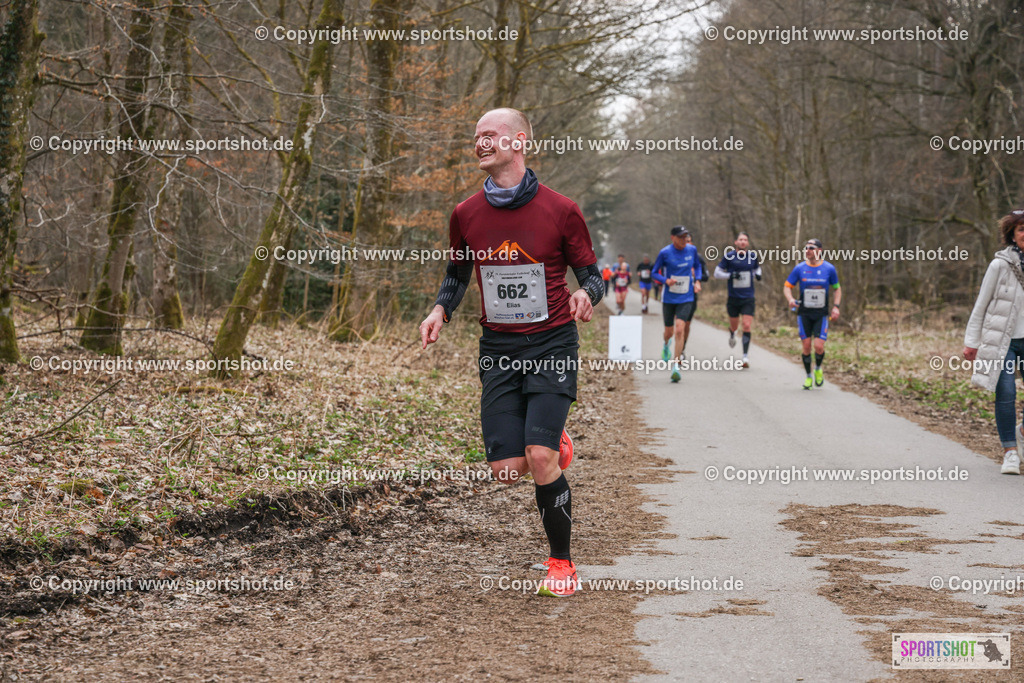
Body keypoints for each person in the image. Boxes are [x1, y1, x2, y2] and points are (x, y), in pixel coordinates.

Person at [419, 108, 605, 597]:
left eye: (490, 136)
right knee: (507, 472)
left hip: (552, 343)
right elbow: (457, 274)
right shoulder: (465, 214)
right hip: (498, 347)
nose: (480, 143)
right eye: (476, 137)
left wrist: (587, 294)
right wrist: (440, 311)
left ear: (519, 141)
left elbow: (590, 273)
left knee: (539, 456)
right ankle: (552, 441)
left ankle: (561, 563)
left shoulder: (560, 209)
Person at [963, 209, 1024, 475]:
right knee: (1007, 393)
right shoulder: (1000, 265)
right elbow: (982, 305)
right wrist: (971, 341)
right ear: (1012, 234)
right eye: (1021, 229)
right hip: (1004, 343)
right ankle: (1010, 452)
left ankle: (1021, 431)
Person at [783, 239, 841, 389]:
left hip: (821, 314)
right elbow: (787, 286)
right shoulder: (800, 268)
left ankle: (818, 369)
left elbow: (837, 288)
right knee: (807, 346)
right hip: (804, 314)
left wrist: (836, 306)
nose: (807, 250)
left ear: (819, 250)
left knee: (819, 346)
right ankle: (808, 376)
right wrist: (790, 299)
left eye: (811, 248)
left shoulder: (829, 268)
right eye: (806, 248)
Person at [651, 226, 701, 382]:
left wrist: (697, 281)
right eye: (681, 237)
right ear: (673, 238)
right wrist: (666, 281)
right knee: (669, 332)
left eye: (686, 236)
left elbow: (698, 266)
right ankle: (666, 344)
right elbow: (654, 272)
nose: (684, 239)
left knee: (680, 328)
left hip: (686, 296)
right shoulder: (665, 253)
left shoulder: (692, 250)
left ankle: (676, 365)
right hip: (669, 298)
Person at [714, 232, 761, 368]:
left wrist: (758, 275)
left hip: (748, 297)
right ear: (736, 242)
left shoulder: (752, 256)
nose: (742, 242)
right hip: (733, 298)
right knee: (734, 325)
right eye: (740, 240)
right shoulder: (729, 256)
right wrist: (730, 275)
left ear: (747, 243)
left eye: (745, 240)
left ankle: (745, 357)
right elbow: (717, 273)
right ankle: (732, 333)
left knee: (746, 325)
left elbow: (757, 269)